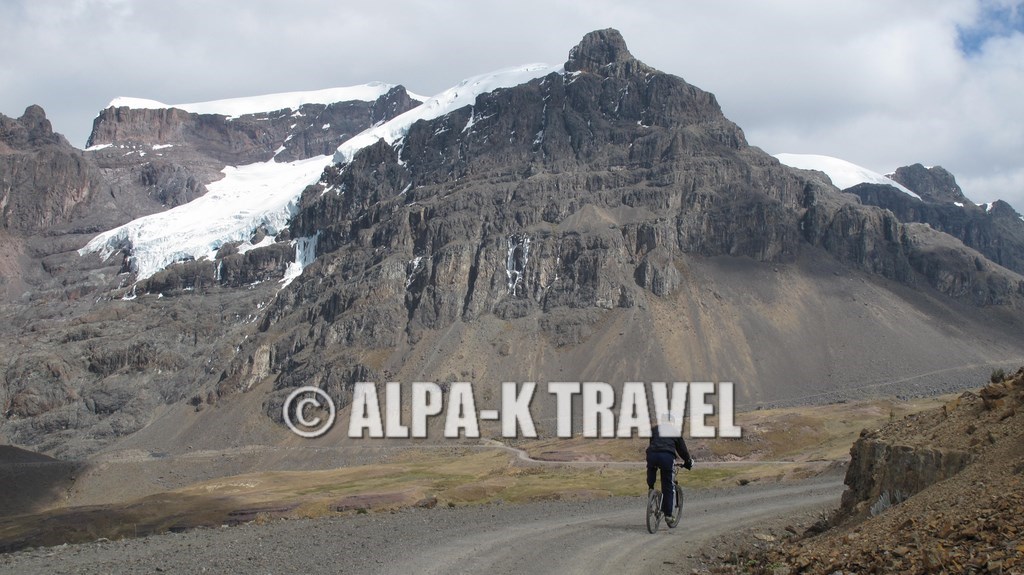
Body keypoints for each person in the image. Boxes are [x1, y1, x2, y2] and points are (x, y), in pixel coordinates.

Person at [646, 414, 693, 519]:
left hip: (652, 455)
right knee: (668, 485)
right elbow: (682, 450)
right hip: (667, 457)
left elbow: (652, 443)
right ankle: (668, 514)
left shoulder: (654, 430)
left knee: (652, 467)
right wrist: (688, 461)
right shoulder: (674, 432)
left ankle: (651, 488)